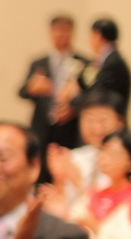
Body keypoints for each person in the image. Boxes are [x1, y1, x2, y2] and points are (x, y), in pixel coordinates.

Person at [18, 15, 90, 170]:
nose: (61, 35)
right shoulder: (39, 62)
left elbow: (90, 96)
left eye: (65, 31)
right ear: (50, 33)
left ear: (72, 33)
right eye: (57, 31)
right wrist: (32, 88)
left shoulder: (83, 62)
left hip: (71, 128)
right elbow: (21, 92)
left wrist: (74, 107)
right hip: (42, 128)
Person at [44, 90, 126, 219]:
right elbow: (62, 210)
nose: (96, 128)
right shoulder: (74, 158)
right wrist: (59, 181)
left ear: (120, 123)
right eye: (89, 120)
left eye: (103, 120)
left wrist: (78, 182)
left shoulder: (129, 161)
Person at [65, 17, 131, 124]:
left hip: (110, 124)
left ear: (97, 35)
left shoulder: (112, 64)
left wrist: (74, 95)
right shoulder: (107, 60)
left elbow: (98, 96)